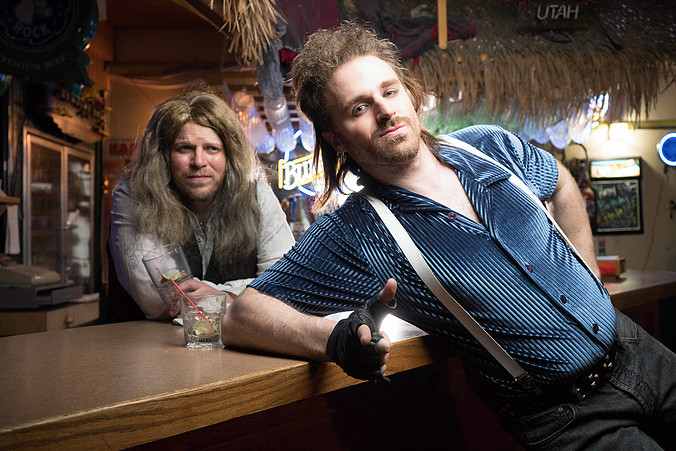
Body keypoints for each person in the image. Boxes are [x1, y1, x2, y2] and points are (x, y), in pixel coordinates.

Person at [221, 22, 676, 449]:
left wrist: (589, 274)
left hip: (640, 351)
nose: (383, 110)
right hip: (571, 416)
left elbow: (559, 180)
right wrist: (334, 340)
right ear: (337, 139)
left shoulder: (489, 145)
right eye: (358, 108)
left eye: (389, 91)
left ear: (409, 94)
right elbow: (241, 315)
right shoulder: (356, 231)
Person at [108, 91, 295, 321]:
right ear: (164, 155)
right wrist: (249, 296)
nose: (199, 161)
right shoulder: (134, 196)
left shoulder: (257, 194)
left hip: (238, 351)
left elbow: (289, 284)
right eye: (185, 148)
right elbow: (158, 303)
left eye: (212, 149)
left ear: (230, 155)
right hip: (148, 350)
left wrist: (226, 295)